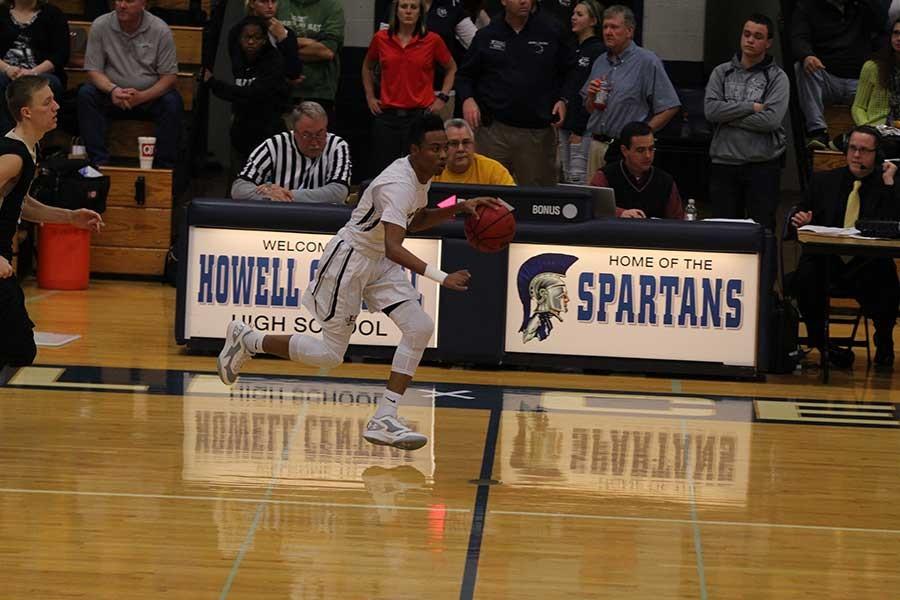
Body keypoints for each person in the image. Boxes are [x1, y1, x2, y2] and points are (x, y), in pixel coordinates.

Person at [217, 113, 499, 450]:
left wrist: (459, 207)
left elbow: (417, 219)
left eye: (446, 148)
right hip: (350, 260)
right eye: (435, 148)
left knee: (419, 326)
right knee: (330, 355)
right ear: (414, 150)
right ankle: (249, 339)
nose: (443, 155)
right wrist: (441, 276)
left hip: (377, 259)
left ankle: (384, 417)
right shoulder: (398, 184)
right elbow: (396, 246)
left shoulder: (421, 175)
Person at [0, 76, 103, 369]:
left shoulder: (28, 149)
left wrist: (70, 217)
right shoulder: (13, 156)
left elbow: (21, 203)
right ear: (26, 112)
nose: (56, 106)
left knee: (15, 348)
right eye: (47, 102)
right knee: (18, 348)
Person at [790, 125, 899, 370]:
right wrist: (801, 220)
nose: (856, 155)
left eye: (863, 150)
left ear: (876, 154)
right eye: (852, 149)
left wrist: (890, 183)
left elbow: (894, 224)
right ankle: (822, 344)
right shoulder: (824, 181)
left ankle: (883, 340)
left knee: (887, 276)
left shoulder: (886, 184)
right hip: (829, 264)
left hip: (866, 266)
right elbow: (799, 213)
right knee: (806, 274)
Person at [455, 0, 577, 185]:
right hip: (493, 131)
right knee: (485, 192)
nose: (524, 1)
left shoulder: (552, 30)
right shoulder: (487, 34)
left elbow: (573, 70)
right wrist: (468, 99)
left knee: (539, 199)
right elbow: (464, 75)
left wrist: (563, 99)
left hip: (536, 131)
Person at [704, 13, 789, 231]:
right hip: (724, 162)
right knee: (722, 232)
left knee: (761, 232)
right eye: (747, 34)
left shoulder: (778, 77)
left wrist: (728, 116)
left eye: (758, 36)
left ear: (768, 43)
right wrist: (750, 107)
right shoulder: (721, 72)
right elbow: (711, 111)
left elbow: (770, 120)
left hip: (762, 165)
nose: (750, 40)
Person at [76, 0, 182, 168]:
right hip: (111, 93)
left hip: (148, 96)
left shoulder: (160, 29)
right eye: (119, 0)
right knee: (86, 93)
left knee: (172, 102)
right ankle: (98, 163)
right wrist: (113, 90)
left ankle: (164, 168)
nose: (122, 5)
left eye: (130, 1)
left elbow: (169, 77)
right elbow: (93, 71)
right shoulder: (100, 25)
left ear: (143, 4)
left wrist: (143, 96)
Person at [582, 5, 680, 175]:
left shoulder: (647, 61)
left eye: (614, 27)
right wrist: (591, 97)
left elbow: (670, 106)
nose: (608, 32)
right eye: (605, 27)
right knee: (595, 199)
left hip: (626, 149)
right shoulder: (600, 62)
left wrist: (641, 135)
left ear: (629, 31)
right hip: (595, 144)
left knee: (623, 200)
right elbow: (591, 109)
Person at [363, 0, 456, 175]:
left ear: (420, 13)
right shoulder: (381, 38)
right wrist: (369, 96)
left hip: (418, 116)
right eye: (404, 7)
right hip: (387, 115)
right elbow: (367, 66)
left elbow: (451, 68)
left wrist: (442, 97)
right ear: (396, 11)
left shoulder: (432, 40)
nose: (408, 11)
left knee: (417, 171)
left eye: (413, 7)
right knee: (382, 171)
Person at [791, 0, 886, 149]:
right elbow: (798, 38)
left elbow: (882, 22)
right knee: (802, 66)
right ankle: (818, 132)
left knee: (882, 72)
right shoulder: (807, 6)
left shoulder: (860, 6)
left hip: (859, 83)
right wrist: (806, 55)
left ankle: (876, 135)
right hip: (827, 78)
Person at [205, 16, 289, 173]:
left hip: (268, 132)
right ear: (240, 39)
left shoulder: (273, 61)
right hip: (241, 131)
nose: (251, 42)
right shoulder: (239, 58)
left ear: (264, 40)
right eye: (247, 37)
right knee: (238, 185)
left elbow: (251, 94)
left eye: (257, 38)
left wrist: (213, 83)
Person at [231, 101, 350, 203]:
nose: (315, 143)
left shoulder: (337, 145)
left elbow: (339, 191)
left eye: (320, 134)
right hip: (279, 219)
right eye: (307, 135)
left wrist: (288, 195)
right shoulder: (274, 145)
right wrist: (268, 195)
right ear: (294, 132)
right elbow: (239, 188)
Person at [588, 120, 683, 219]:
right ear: (624, 151)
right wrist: (620, 213)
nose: (648, 156)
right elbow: (591, 206)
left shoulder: (665, 181)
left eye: (651, 149)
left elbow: (677, 221)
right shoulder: (605, 176)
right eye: (640, 150)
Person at [0, 0, 69, 134]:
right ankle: (7, 141)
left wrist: (33, 72)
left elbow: (61, 55)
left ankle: (33, 140)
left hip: (41, 73)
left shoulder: (53, 14)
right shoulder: (1, 12)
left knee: (48, 84)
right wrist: (8, 69)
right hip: (5, 71)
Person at [559, 0, 605, 184]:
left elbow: (592, 93)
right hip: (564, 125)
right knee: (564, 177)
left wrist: (579, 127)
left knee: (577, 179)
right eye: (573, 14)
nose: (573, 18)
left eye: (580, 14)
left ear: (593, 21)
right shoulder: (572, 48)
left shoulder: (598, 51)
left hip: (582, 129)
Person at [276, 0, 343, 123]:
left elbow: (326, 51)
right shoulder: (277, 4)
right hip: (281, 91)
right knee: (281, 141)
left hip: (319, 92)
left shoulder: (332, 6)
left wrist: (285, 46)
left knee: (314, 139)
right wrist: (310, 42)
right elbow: (268, 48)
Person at [851, 16, 900, 128]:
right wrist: (867, 129)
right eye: (896, 33)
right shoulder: (872, 67)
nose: (898, 38)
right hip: (875, 129)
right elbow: (858, 107)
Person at [434, 117, 515, 184]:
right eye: (454, 143)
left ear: (474, 145)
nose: (460, 149)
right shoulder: (432, 169)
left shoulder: (493, 169)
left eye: (466, 142)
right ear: (443, 147)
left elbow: (512, 200)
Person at [238, 0, 303, 83]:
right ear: (252, 4)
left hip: (276, 93)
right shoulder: (239, 30)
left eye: (273, 1)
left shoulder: (286, 32)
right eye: (263, 1)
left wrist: (283, 39)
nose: (270, 6)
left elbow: (294, 73)